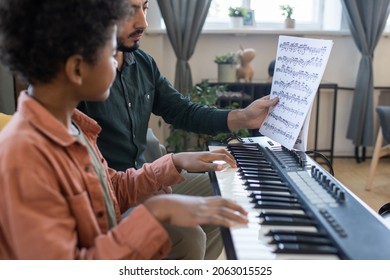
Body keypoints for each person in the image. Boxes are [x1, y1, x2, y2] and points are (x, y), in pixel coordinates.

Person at [0, 0, 249, 260]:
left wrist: (171, 165)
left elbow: (111, 189)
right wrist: (154, 214)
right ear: (76, 69)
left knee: (217, 204)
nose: (118, 62)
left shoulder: (75, 130)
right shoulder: (25, 159)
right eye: (111, 54)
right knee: (188, 236)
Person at [78, 0, 279, 259]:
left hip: (138, 180)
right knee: (190, 236)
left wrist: (242, 117)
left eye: (145, 7)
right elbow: (99, 189)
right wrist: (162, 177)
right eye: (130, 10)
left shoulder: (143, 63)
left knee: (224, 197)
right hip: (115, 197)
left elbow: (182, 110)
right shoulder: (79, 83)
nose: (144, 22)